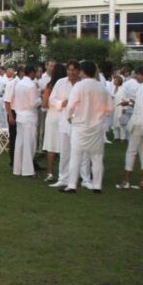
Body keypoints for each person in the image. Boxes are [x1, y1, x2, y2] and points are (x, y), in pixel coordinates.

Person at [62, 61, 113, 194]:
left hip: (80, 125)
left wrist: (69, 116)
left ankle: (72, 185)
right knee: (97, 157)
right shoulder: (102, 87)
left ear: (82, 72)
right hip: (96, 126)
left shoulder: (79, 86)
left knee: (76, 156)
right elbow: (109, 108)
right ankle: (97, 185)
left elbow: (71, 105)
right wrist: (100, 115)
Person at [117, 66, 143, 190]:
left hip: (141, 122)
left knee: (131, 151)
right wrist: (130, 103)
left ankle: (126, 181)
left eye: (138, 74)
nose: (136, 77)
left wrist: (135, 121)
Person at [11, 64, 40, 177]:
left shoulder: (19, 84)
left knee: (20, 143)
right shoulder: (31, 85)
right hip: (29, 117)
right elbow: (33, 103)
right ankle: (28, 170)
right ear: (32, 73)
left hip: (20, 115)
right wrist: (40, 99)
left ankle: (17, 169)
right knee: (29, 144)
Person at [41, 62, 67, 183]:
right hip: (64, 115)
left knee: (51, 146)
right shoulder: (68, 86)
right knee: (65, 145)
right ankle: (66, 172)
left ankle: (50, 173)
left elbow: (44, 104)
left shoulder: (50, 85)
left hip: (52, 115)